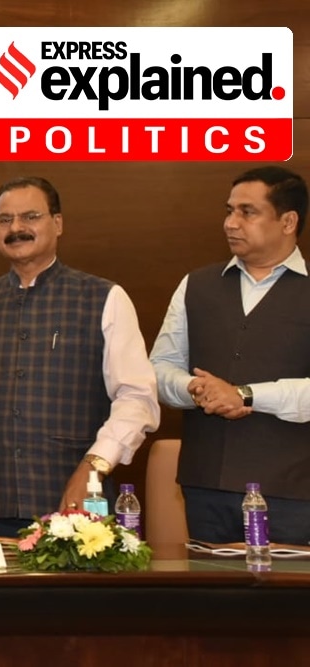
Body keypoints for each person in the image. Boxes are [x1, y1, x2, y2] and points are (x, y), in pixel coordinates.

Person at [0, 176, 160, 538]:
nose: (16, 228)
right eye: (4, 220)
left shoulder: (104, 298)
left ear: (57, 223)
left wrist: (93, 467)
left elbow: (137, 398)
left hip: (80, 514)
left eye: (30, 217)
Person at [150, 166, 310, 544]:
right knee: (215, 600)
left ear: (288, 221)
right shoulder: (196, 285)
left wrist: (245, 395)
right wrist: (194, 388)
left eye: (247, 212)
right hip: (205, 487)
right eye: (229, 210)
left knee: (288, 604)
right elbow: (159, 370)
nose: (230, 223)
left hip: (294, 491)